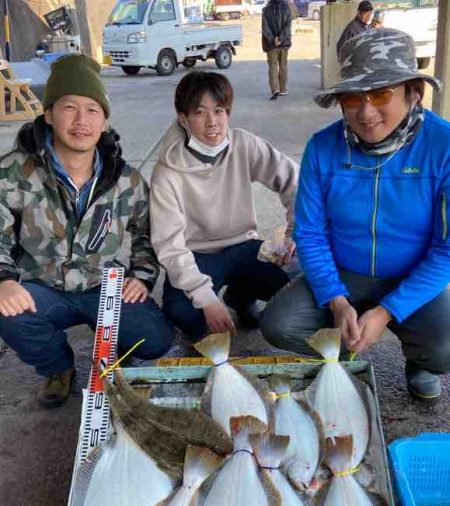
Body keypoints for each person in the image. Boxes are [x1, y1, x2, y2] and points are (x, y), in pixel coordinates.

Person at [260, 28, 450, 400]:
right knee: (279, 324)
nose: (366, 112)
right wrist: (336, 298)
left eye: (381, 94)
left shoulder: (443, 146)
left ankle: (420, 361)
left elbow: (447, 250)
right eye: (352, 97)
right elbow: (310, 233)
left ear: (414, 92)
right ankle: (342, 351)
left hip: (413, 274)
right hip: (345, 272)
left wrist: (387, 311)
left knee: (445, 347)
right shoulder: (323, 148)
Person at [0, 54, 174, 408]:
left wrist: (142, 275)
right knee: (6, 313)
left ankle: (109, 343)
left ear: (104, 120)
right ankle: (58, 367)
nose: (82, 121)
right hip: (41, 288)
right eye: (69, 108)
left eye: (92, 110)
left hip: (102, 286)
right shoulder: (15, 171)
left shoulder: (125, 179)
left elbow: (147, 233)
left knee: (156, 339)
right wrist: (4, 279)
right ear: (48, 114)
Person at [149, 71, 299, 342]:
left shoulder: (244, 144)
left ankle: (240, 297)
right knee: (183, 311)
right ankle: (200, 330)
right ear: (183, 118)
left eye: (219, 111)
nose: (212, 122)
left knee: (297, 285)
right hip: (197, 254)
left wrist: (294, 232)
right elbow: (169, 246)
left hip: (244, 245)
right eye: (200, 112)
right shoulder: (166, 173)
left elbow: (296, 182)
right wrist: (205, 300)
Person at [262, 0, 292, 100]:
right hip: (283, 44)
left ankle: (275, 89)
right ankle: (283, 89)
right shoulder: (287, 8)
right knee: (283, 66)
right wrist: (281, 38)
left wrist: (273, 39)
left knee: (273, 66)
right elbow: (288, 26)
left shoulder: (266, 10)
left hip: (271, 45)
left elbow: (265, 28)